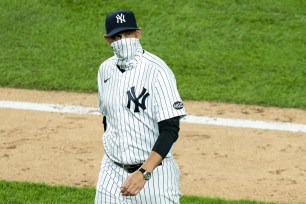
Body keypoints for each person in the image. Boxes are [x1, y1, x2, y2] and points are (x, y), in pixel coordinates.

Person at [95, 9, 186, 204]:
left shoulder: (157, 70)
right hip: (111, 174)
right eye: (117, 36)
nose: (123, 40)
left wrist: (143, 172)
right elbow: (107, 119)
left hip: (155, 176)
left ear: (138, 33)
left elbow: (170, 129)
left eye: (128, 34)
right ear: (108, 40)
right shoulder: (105, 70)